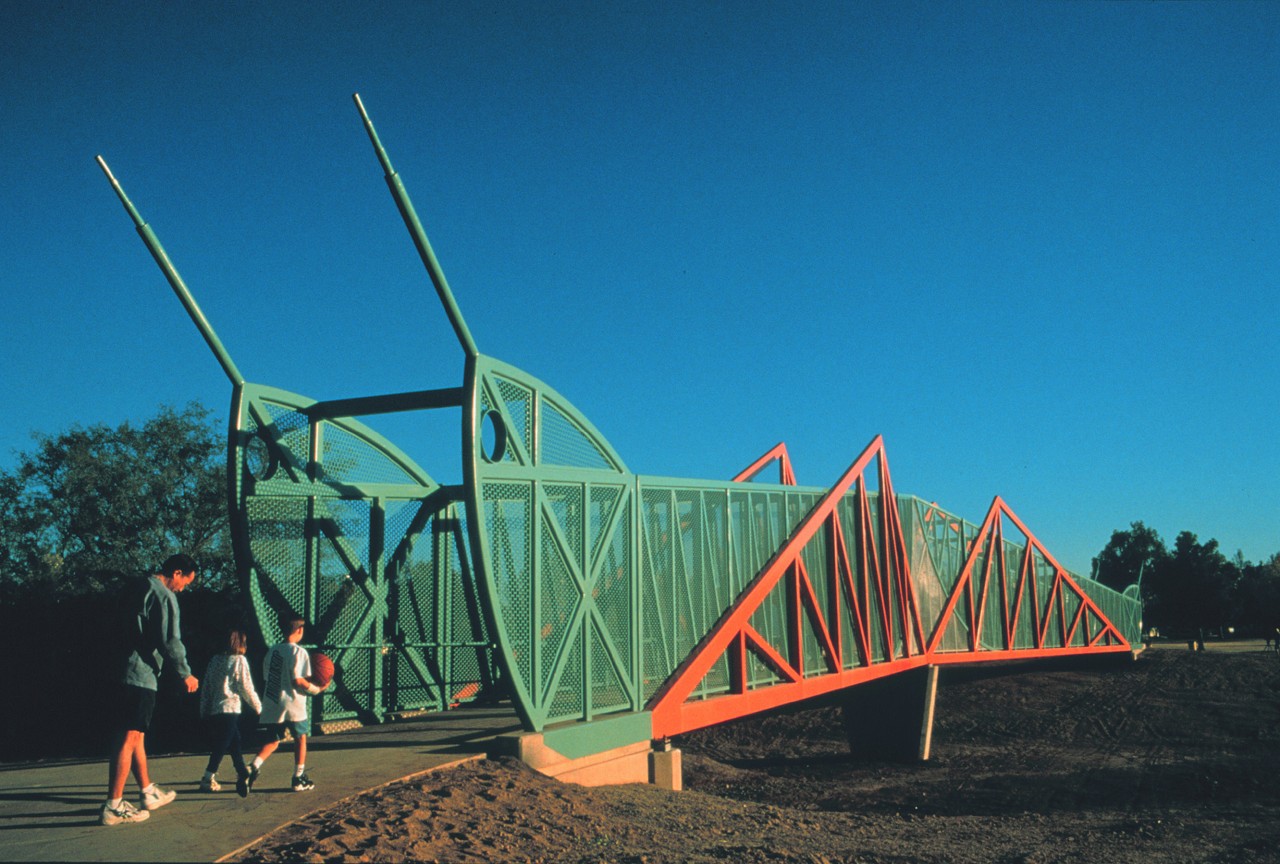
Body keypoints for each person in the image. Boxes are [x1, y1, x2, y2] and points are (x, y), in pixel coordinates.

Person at [101, 554, 199, 826]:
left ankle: (147, 792)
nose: (182, 589)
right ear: (176, 573)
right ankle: (113, 804)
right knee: (130, 736)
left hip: (121, 667)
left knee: (136, 736)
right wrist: (186, 673)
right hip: (140, 673)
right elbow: (170, 639)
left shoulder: (136, 586)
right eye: (185, 583)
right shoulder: (164, 595)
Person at [246, 612, 329, 793]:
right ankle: (298, 778)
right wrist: (317, 689)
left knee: (273, 740)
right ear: (299, 630)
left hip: (273, 701)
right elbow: (298, 681)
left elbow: (267, 677)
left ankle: (252, 767)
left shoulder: (273, 650)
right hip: (293, 703)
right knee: (300, 739)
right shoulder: (299, 652)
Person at [198, 627, 262, 797]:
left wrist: (204, 708)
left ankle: (242, 772)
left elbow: (207, 686)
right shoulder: (239, 660)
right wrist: (257, 706)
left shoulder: (215, 660)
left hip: (216, 708)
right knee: (222, 744)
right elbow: (246, 687)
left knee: (234, 741)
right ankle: (207, 777)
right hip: (231, 707)